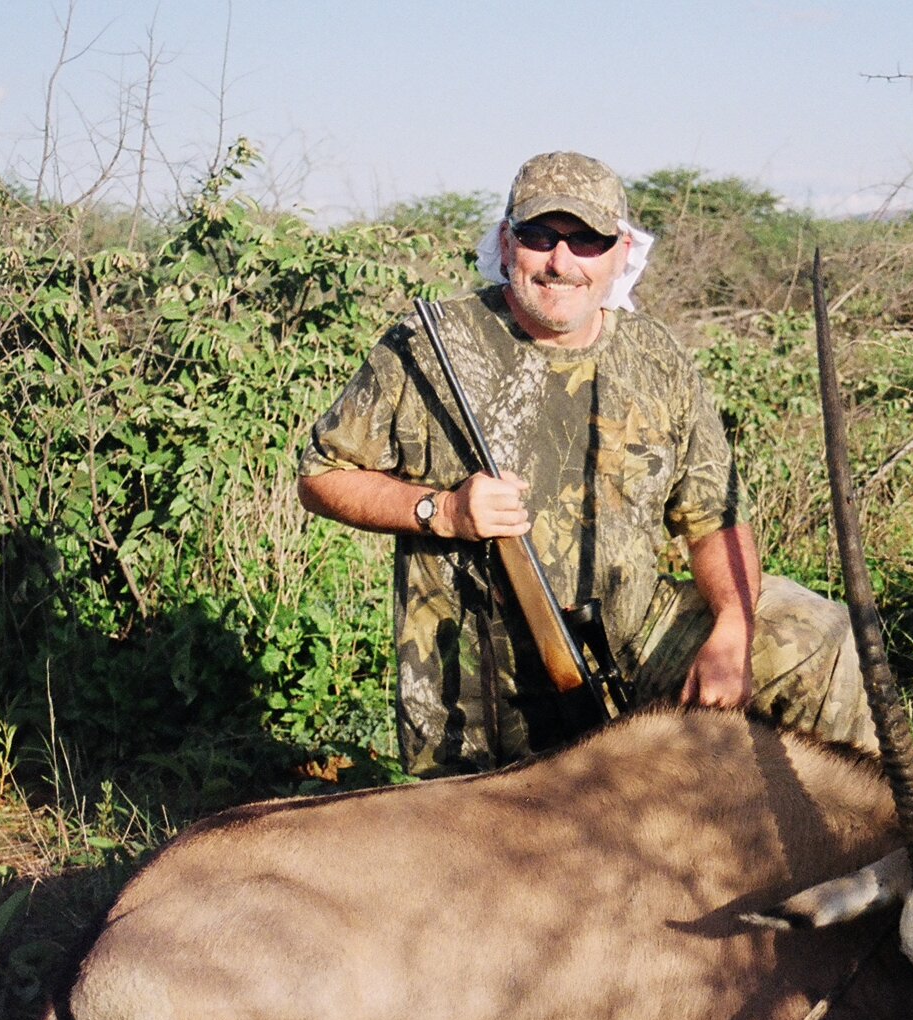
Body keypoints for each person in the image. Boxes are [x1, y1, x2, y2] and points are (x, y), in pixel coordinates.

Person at [298, 150, 877, 777]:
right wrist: (441, 511)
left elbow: (715, 517)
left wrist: (732, 630)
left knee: (823, 636)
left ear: (621, 252)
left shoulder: (656, 355)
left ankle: (861, 852)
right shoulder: (429, 341)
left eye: (587, 240)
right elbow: (321, 475)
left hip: (634, 636)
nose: (561, 262)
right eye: (539, 235)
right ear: (505, 240)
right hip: (478, 671)